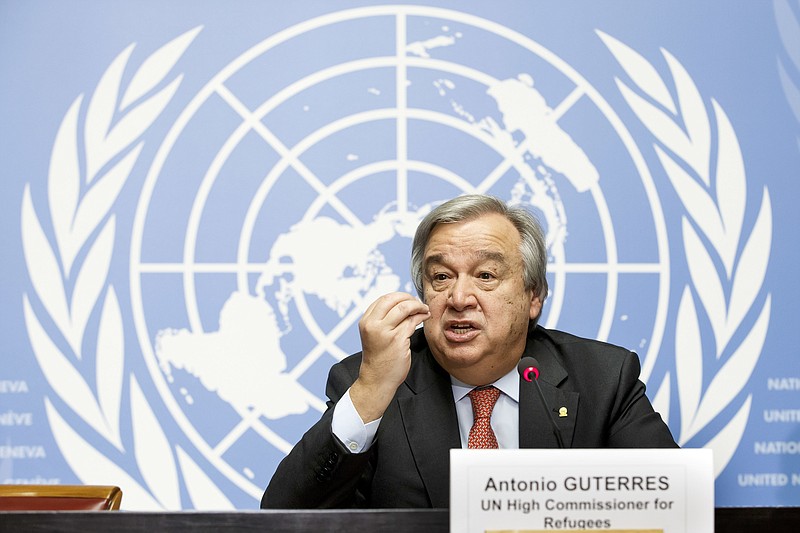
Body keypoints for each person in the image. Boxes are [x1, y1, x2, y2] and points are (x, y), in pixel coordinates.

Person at [261, 194, 677, 509]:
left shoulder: (602, 377)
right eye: (440, 276)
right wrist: (369, 391)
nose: (459, 297)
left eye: (486, 275)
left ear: (534, 296)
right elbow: (284, 516)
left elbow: (675, 509)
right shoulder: (373, 382)